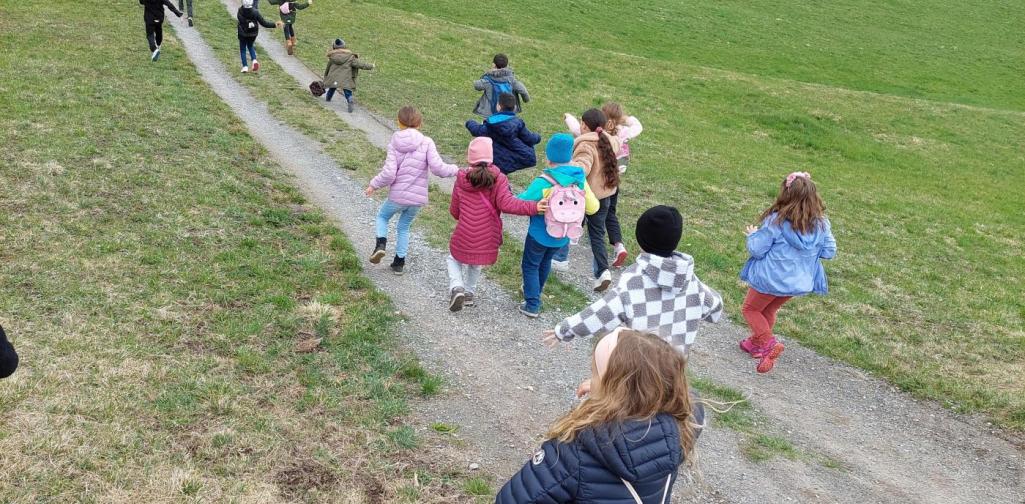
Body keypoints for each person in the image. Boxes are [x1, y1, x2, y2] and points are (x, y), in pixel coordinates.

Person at [498, 329, 705, 503]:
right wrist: (604, 388)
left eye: (596, 374)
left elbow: (511, 499)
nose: (591, 378)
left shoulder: (573, 454)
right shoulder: (685, 422)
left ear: (613, 391)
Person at [543, 205, 723, 357]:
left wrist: (565, 330)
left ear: (641, 241)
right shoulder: (689, 280)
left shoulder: (635, 281)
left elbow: (602, 312)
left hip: (638, 369)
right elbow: (715, 309)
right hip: (673, 373)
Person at [740, 172, 837, 373]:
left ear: (786, 193)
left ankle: (768, 344)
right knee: (768, 310)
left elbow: (758, 249)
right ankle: (755, 344)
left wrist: (753, 235)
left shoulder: (776, 220)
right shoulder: (821, 224)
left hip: (770, 279)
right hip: (798, 282)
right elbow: (829, 251)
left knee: (751, 309)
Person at [447, 138, 546, 311]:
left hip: (464, 230)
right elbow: (508, 204)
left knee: (453, 258)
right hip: (488, 234)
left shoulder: (462, 179)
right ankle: (469, 293)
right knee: (475, 262)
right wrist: (534, 207)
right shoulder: (499, 179)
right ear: (491, 157)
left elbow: (455, 211)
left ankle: (457, 287)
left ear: (470, 158)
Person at [366, 106, 458, 275]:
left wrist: (374, 184)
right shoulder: (427, 142)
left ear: (398, 122)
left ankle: (380, 244)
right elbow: (438, 169)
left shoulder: (394, 143)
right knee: (404, 227)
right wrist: (457, 170)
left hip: (397, 197)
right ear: (419, 124)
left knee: (382, 216)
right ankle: (399, 263)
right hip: (417, 200)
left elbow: (389, 173)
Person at [516, 134, 599, 318]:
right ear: (571, 156)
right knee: (545, 262)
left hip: (539, 233)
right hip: (563, 235)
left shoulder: (545, 181)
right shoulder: (579, 180)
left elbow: (521, 202)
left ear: (548, 157)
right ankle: (534, 292)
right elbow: (594, 208)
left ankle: (532, 304)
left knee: (530, 265)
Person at [565, 103, 643, 268]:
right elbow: (637, 127)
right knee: (601, 228)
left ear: (586, 125)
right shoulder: (616, 138)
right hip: (610, 186)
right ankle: (605, 265)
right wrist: (626, 119)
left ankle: (564, 251)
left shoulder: (587, 142)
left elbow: (582, 167)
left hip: (592, 190)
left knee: (573, 215)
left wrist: (568, 117)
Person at [553, 109, 621, 292]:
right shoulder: (609, 141)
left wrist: (566, 165)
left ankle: (559, 258)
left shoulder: (585, 146)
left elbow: (582, 167)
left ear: (584, 125)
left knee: (568, 223)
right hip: (605, 196)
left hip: (586, 198)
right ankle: (603, 272)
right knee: (597, 235)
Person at [464, 93, 541, 174]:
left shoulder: (491, 124)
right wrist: (537, 137)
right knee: (501, 178)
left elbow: (477, 130)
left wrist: (470, 122)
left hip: (496, 159)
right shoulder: (517, 123)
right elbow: (529, 138)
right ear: (514, 107)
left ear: (498, 106)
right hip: (516, 157)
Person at [323, 38, 374, 113]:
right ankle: (350, 100)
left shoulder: (332, 56)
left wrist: (326, 76)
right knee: (347, 91)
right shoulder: (350, 57)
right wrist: (371, 66)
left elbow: (328, 67)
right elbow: (359, 64)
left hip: (333, 78)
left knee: (332, 88)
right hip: (345, 79)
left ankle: (328, 98)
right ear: (344, 46)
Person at [472, 53, 530, 119]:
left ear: (493, 64)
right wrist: (526, 99)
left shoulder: (488, 80)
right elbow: (523, 90)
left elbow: (477, 85)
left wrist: (487, 74)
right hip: (508, 113)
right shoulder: (511, 80)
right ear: (507, 65)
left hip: (490, 113)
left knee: (487, 127)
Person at [236, 0, 282, 74]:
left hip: (243, 33)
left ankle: (245, 66)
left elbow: (240, 19)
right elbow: (264, 23)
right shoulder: (255, 12)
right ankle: (254, 60)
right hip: (253, 33)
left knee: (243, 49)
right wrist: (274, 24)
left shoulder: (240, 11)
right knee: (250, 46)